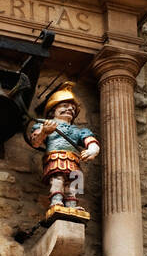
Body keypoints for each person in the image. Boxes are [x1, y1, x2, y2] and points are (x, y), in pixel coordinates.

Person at [26, 83, 100, 221]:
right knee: (58, 180)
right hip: (56, 156)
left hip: (73, 159)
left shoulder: (78, 131)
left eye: (72, 108)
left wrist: (92, 150)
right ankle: (56, 201)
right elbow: (35, 142)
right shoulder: (44, 124)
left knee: (73, 184)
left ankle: (72, 205)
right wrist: (44, 131)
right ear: (53, 109)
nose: (69, 109)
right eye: (64, 106)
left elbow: (90, 141)